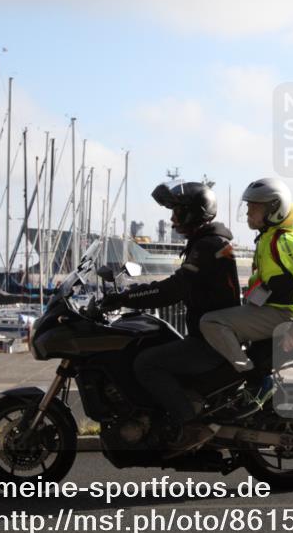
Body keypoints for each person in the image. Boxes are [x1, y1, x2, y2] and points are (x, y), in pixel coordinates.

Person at [99, 180, 240, 455]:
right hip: (211, 335)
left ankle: (190, 425)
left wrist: (126, 297)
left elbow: (174, 288)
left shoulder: (209, 245)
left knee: (146, 364)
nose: (172, 219)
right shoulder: (207, 242)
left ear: (193, 213)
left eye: (178, 212)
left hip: (210, 342)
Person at [199, 177, 293, 381]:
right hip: (271, 307)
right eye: (247, 206)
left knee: (210, 322)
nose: (248, 212)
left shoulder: (285, 241)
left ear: (274, 209)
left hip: (285, 313)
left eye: (253, 207)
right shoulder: (268, 237)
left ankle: (247, 374)